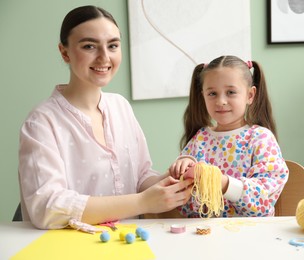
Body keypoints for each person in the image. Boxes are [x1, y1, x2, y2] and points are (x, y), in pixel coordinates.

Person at [18, 5, 193, 230]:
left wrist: (175, 177)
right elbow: (47, 208)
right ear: (64, 52)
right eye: (89, 46)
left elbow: (141, 178)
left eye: (112, 46)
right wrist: (143, 202)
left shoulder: (121, 106)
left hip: (128, 243)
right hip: (71, 248)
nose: (104, 57)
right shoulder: (41, 122)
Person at [168, 55, 289, 217]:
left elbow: (262, 201)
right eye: (212, 94)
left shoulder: (261, 139)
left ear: (250, 95)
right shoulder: (200, 139)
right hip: (204, 235)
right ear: (202, 95)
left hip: (252, 235)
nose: (221, 101)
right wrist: (182, 170)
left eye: (231, 92)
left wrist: (223, 183)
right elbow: (182, 204)